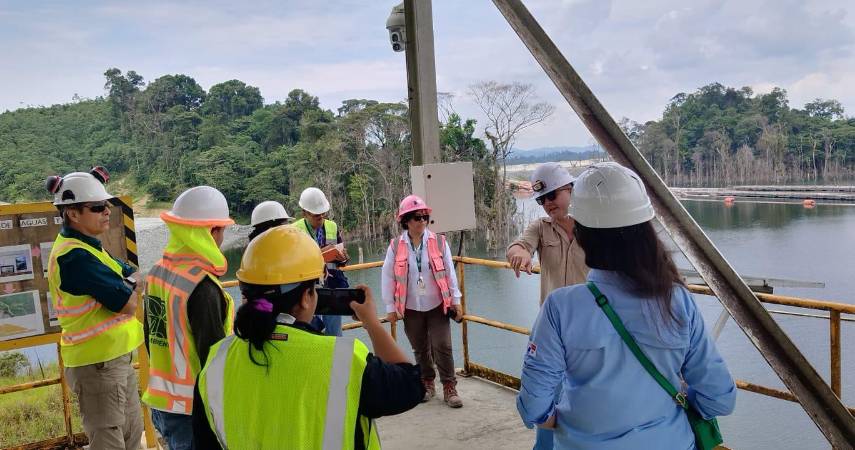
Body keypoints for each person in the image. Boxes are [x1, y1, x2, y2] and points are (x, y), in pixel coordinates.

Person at [517, 162, 736, 449]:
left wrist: (567, 423)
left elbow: (533, 406)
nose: (546, 204)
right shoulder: (676, 299)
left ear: (582, 233)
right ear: (645, 228)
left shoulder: (560, 309)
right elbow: (720, 397)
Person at [192, 225, 423, 449]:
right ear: (306, 297)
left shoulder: (215, 364)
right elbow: (410, 386)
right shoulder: (343, 362)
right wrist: (372, 323)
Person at [45, 167, 144, 449]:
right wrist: (131, 287)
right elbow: (128, 302)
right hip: (97, 364)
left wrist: (130, 283)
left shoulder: (89, 247)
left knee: (131, 434)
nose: (107, 211)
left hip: (114, 358)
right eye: (98, 207)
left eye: (107, 205)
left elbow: (132, 274)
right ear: (73, 214)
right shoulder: (75, 257)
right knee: (109, 441)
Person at [143, 186, 236, 450]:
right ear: (211, 231)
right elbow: (213, 355)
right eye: (221, 230)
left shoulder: (157, 273)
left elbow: (152, 335)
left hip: (162, 402)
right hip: (193, 409)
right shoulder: (202, 286)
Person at [381, 194, 464, 408]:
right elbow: (388, 277)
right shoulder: (395, 246)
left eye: (425, 217)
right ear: (406, 220)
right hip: (410, 306)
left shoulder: (438, 242)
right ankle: (427, 382)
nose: (422, 221)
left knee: (442, 345)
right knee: (419, 348)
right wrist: (390, 307)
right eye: (417, 217)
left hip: (437, 304)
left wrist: (456, 299)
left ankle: (449, 386)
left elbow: (449, 272)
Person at [507, 162, 588, 305]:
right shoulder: (540, 227)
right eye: (541, 199)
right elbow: (518, 247)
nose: (547, 203)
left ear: (571, 190)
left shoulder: (595, 227)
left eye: (551, 195)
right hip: (553, 319)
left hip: (590, 318)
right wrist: (520, 253)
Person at [292, 187, 349, 336]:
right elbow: (292, 265)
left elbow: (341, 260)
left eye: (323, 214)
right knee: (311, 333)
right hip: (307, 291)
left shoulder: (332, 226)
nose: (320, 218)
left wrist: (343, 258)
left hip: (330, 289)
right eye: (316, 215)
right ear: (304, 212)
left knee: (335, 335)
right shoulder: (294, 231)